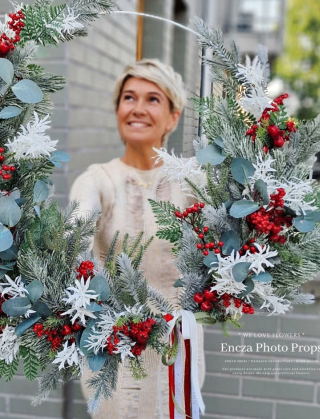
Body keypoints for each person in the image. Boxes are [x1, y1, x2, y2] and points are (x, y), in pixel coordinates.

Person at [69, 59, 205, 418]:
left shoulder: (193, 182)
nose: (138, 109)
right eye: (129, 98)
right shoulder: (97, 179)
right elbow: (77, 231)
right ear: (117, 110)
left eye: (152, 99)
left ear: (173, 117)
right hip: (114, 351)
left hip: (179, 349)